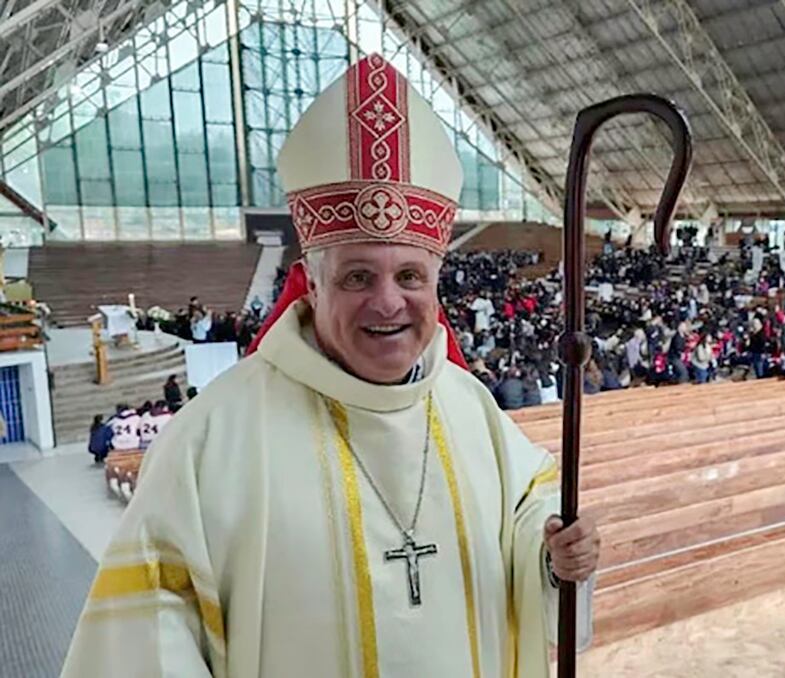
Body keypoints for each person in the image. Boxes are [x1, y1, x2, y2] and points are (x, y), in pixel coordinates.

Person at [61, 55, 598, 678]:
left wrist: (555, 556)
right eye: (358, 277)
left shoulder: (470, 407)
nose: (389, 303)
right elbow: (148, 642)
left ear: (437, 284)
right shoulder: (210, 440)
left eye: (410, 276)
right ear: (312, 285)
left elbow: (532, 512)